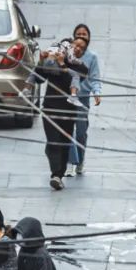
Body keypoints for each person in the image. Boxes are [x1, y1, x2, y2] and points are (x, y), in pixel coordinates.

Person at [37, 38, 89, 188]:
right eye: (76, 45)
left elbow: (71, 81)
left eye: (82, 48)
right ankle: (56, 174)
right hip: (50, 108)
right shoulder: (53, 60)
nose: (78, 48)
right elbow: (40, 78)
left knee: (64, 143)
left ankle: (59, 174)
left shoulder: (82, 68)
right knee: (53, 140)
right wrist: (41, 61)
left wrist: (62, 64)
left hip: (68, 111)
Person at [68, 23, 101, 175]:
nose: (81, 37)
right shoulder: (67, 53)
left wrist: (97, 92)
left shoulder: (92, 57)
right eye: (78, 34)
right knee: (67, 130)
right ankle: (69, 162)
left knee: (81, 131)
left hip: (83, 98)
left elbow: (95, 78)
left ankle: (80, 161)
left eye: (84, 34)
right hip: (67, 96)